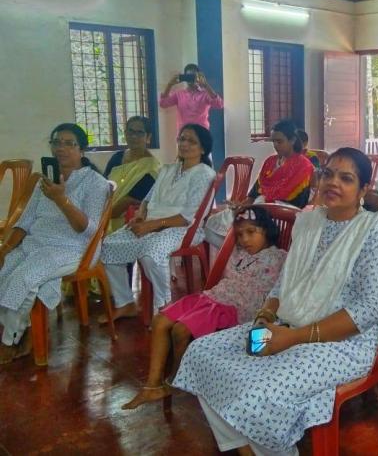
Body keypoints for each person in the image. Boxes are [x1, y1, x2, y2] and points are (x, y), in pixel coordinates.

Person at [172, 147, 378, 456]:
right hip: (289, 320)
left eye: (346, 178)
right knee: (201, 353)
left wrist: (294, 338)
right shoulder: (310, 222)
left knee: (257, 393)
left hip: (346, 342)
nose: (333, 183)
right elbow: (284, 282)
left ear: (363, 189)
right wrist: (264, 317)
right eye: (328, 174)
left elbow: (368, 311)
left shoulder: (374, 234)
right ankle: (250, 449)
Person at [121, 206, 287, 410]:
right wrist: (234, 209)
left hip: (233, 309)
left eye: (251, 232)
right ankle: (153, 384)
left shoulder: (279, 257)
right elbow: (213, 224)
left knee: (181, 330)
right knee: (160, 320)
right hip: (211, 298)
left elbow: (278, 292)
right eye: (240, 234)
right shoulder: (239, 252)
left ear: (267, 231)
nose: (244, 239)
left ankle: (176, 381)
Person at [0, 124, 109, 363]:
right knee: (6, 268)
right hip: (36, 243)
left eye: (69, 143)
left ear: (82, 149)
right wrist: (5, 248)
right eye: (56, 142)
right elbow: (25, 220)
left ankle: (10, 340)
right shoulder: (46, 180)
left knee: (24, 278)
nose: (61, 148)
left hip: (73, 248)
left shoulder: (95, 183)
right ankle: (24, 329)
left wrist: (62, 200)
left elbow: (88, 230)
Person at [100, 124, 216, 322]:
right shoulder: (169, 169)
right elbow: (148, 197)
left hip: (182, 229)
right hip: (152, 225)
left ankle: (164, 308)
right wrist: (140, 214)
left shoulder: (204, 174)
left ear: (203, 148)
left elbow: (188, 217)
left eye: (192, 141)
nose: (185, 144)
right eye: (182, 139)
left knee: (151, 254)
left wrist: (150, 226)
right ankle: (125, 302)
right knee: (107, 247)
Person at [205, 120, 314, 248]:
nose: (275, 145)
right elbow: (254, 193)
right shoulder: (270, 162)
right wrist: (241, 206)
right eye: (273, 141)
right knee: (210, 225)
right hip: (259, 207)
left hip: (280, 215)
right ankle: (238, 253)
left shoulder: (304, 166)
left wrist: (260, 207)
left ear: (292, 140)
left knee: (244, 228)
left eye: (279, 141)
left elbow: (298, 204)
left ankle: (241, 254)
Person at [103, 116, 161, 232]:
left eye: (139, 133)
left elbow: (127, 202)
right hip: (101, 213)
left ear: (148, 137)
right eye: (130, 131)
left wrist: (99, 217)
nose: (134, 136)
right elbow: (102, 185)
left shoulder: (152, 168)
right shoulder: (117, 157)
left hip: (125, 223)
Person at [159, 63, 223, 131]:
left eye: (193, 76)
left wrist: (206, 85)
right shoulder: (179, 94)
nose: (190, 79)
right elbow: (163, 103)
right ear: (184, 77)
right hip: (184, 134)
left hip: (201, 134)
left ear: (198, 77)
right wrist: (170, 84)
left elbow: (219, 104)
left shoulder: (205, 94)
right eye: (188, 76)